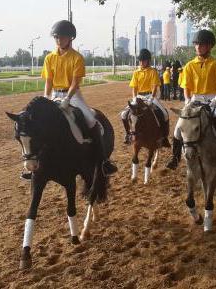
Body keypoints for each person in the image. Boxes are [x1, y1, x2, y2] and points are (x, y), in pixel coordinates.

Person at [21, 20, 118, 180]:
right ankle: (36, 166)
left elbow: (75, 82)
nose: (59, 40)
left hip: (73, 95)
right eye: (56, 37)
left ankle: (103, 161)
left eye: (62, 37)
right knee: (38, 125)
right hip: (54, 95)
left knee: (91, 120)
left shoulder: (77, 58)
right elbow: (48, 81)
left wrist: (67, 98)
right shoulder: (49, 58)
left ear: (70, 38)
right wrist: (46, 97)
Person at [166, 30, 216, 175]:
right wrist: (187, 99)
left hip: (212, 100)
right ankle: (175, 158)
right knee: (177, 129)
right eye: (196, 44)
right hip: (195, 100)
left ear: (209, 46)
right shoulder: (189, 66)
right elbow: (186, 86)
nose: (198, 47)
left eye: (202, 44)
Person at [121, 49, 171, 147]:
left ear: (148, 61)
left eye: (143, 60)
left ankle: (164, 137)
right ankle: (128, 134)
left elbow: (154, 87)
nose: (141, 62)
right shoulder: (136, 72)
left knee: (164, 113)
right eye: (140, 60)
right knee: (123, 114)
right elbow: (134, 87)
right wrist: (134, 98)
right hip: (139, 96)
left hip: (149, 96)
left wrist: (152, 98)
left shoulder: (153, 71)